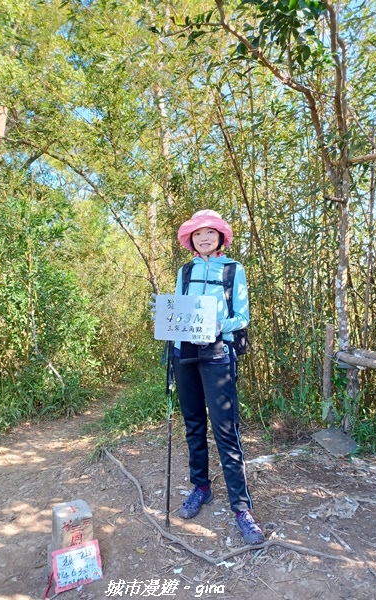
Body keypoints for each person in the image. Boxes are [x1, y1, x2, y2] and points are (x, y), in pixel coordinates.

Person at [169, 209, 264, 545]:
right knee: (193, 423)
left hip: (217, 355)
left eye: (210, 232)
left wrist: (215, 326)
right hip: (184, 355)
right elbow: (177, 311)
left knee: (225, 428)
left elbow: (242, 316)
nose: (204, 237)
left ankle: (241, 507)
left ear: (220, 237)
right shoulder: (185, 270)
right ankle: (201, 488)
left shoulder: (233, 269)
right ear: (191, 240)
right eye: (198, 234)